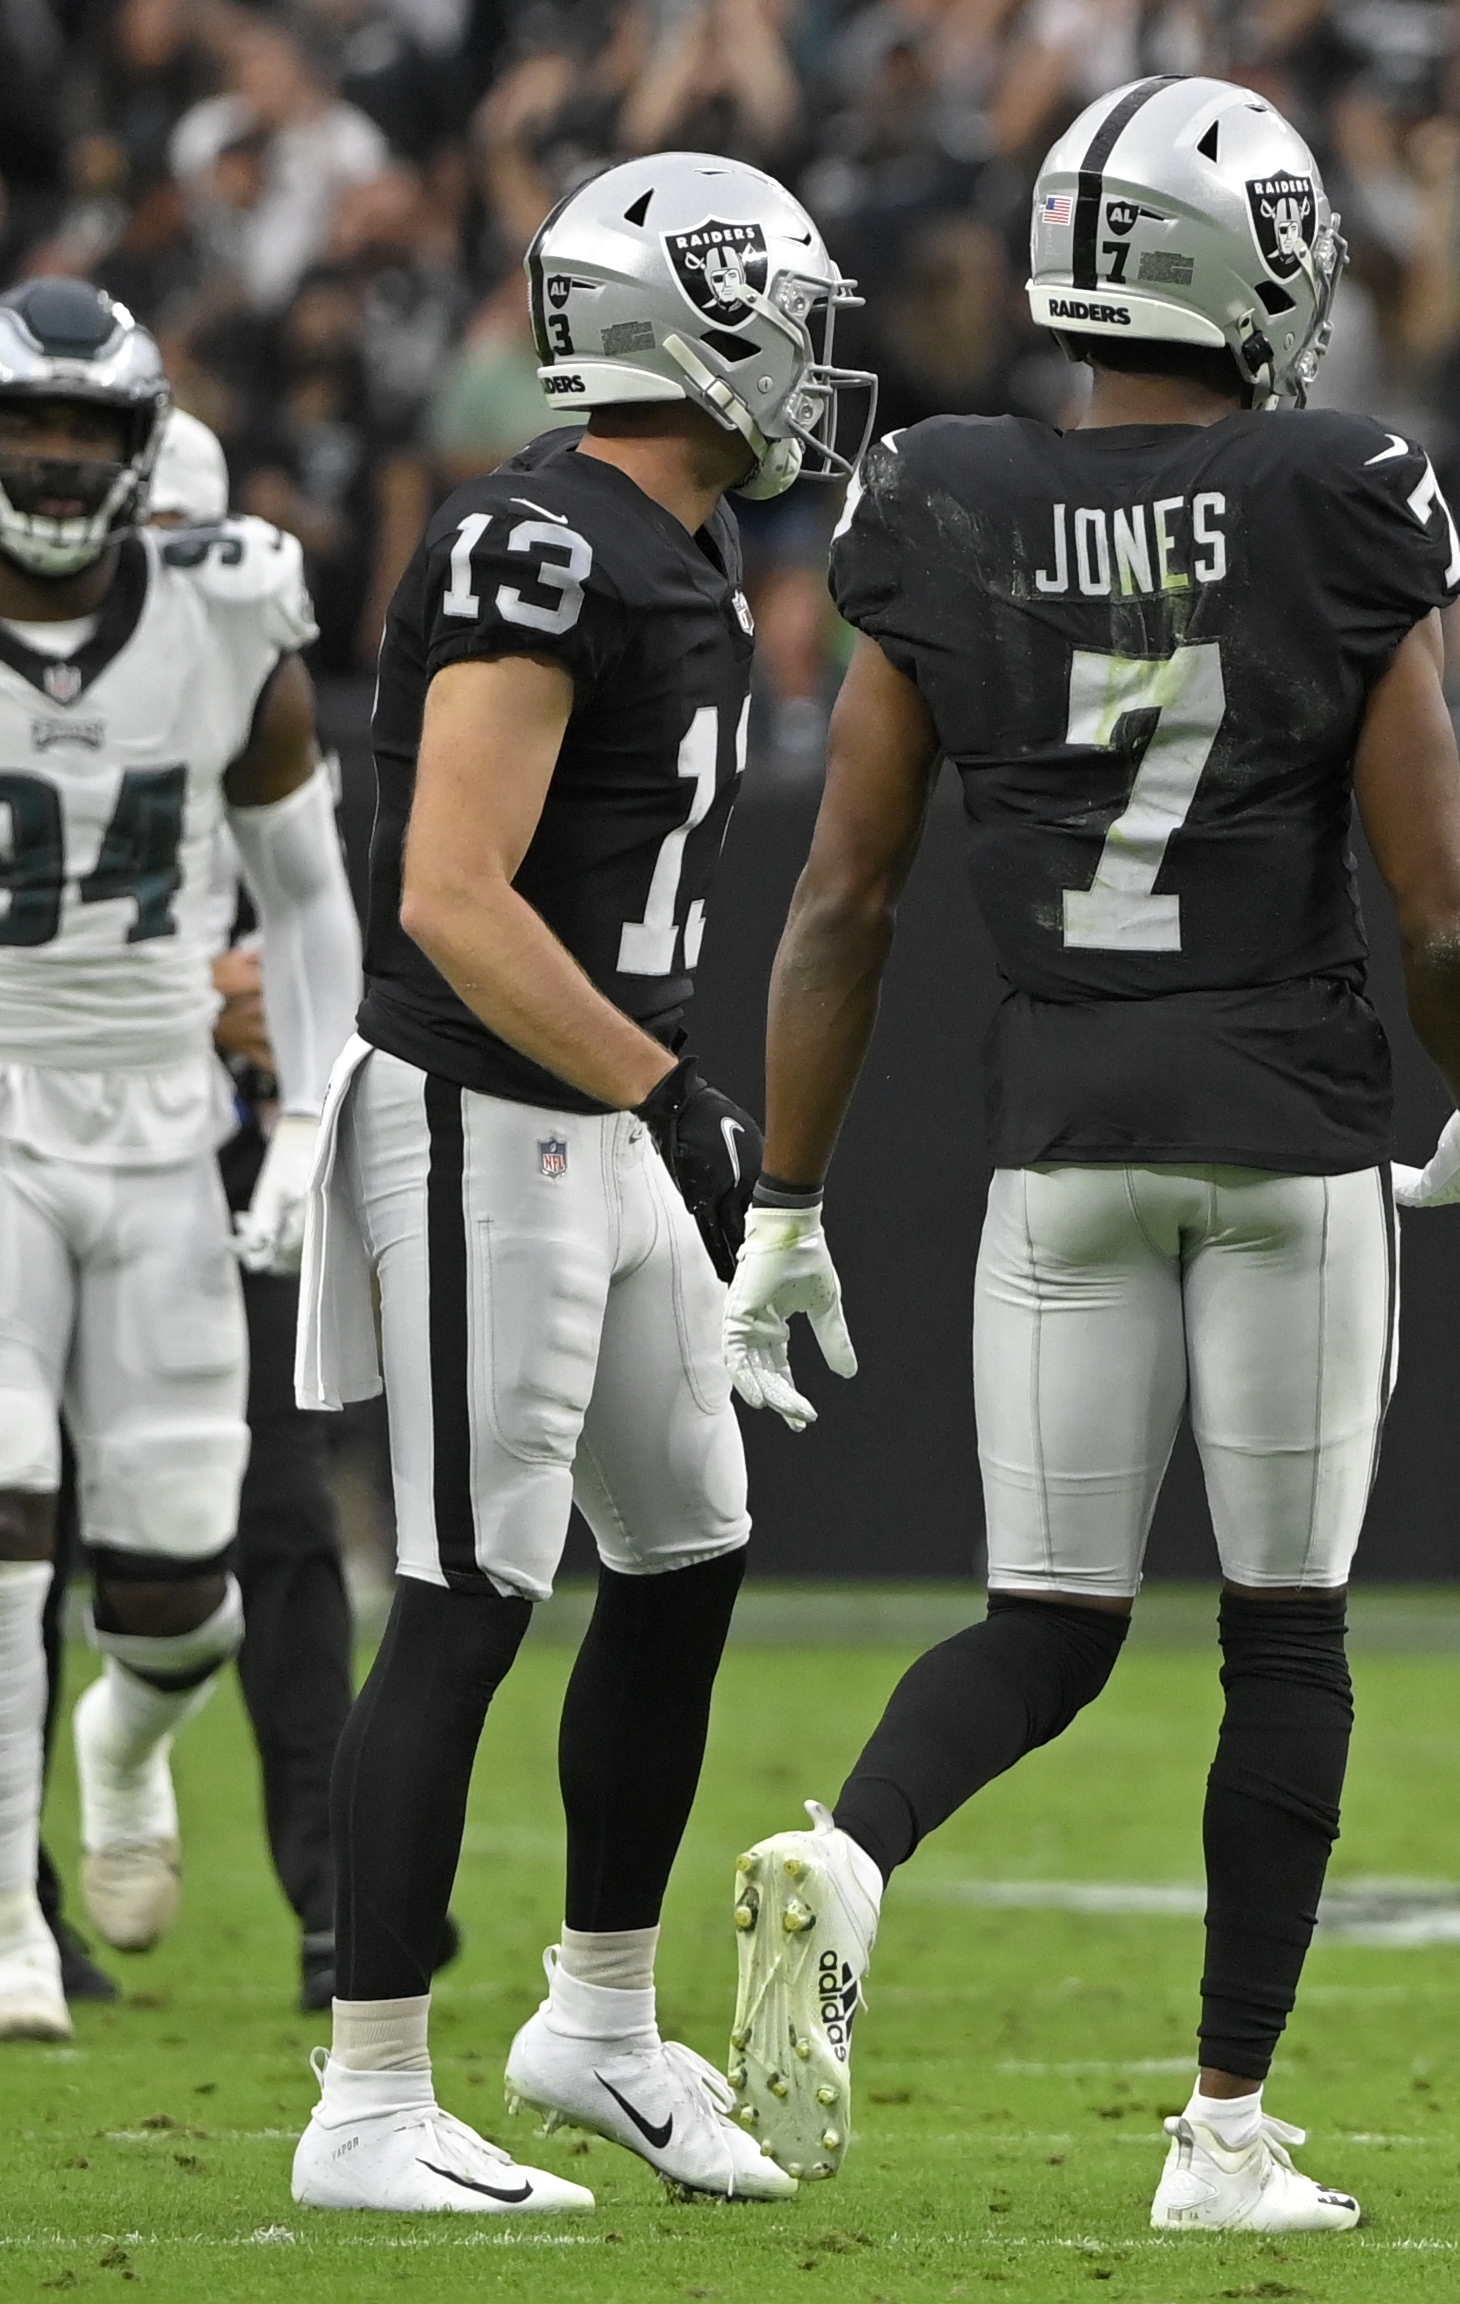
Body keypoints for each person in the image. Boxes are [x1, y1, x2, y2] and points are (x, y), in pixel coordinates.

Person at [716, 76, 1460, 2239]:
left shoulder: (948, 493)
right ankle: (1224, 2135)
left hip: (1058, 1135)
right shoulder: (1343, 486)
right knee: (1287, 1637)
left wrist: (786, 1201)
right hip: (1283, 1130)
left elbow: (844, 900)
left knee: (1050, 1625)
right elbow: (1442, 913)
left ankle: (853, 1852)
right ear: (1249, 267)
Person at [282, 152, 869, 2211]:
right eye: (784, 310)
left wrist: (658, 1107)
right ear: (688, 325)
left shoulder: (669, 544)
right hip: (487, 1118)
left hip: (599, 1119)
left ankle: (597, 2027)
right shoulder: (538, 545)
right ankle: (365, 2101)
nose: (814, 355)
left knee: (688, 1553)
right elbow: (449, 893)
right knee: (458, 1601)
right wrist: (672, 1095)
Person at [0, 284, 359, 2043]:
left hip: (182, 1131)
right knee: (3, 1499)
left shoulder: (225, 613)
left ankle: (131, 1746)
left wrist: (301, 1103)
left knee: (201, 1566)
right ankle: (10, 1917)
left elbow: (311, 900)